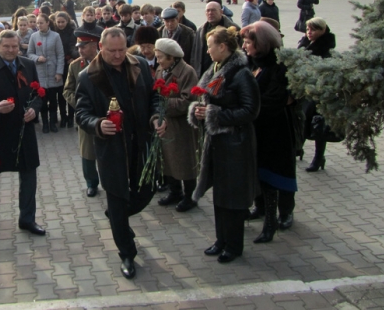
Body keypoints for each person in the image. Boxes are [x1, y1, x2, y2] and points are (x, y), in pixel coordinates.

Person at [75, 28, 163, 279]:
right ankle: (126, 253)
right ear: (101, 47)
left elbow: (155, 97)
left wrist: (157, 116)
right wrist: (97, 124)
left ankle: (117, 219)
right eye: (111, 50)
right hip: (112, 148)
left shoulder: (140, 66)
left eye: (121, 50)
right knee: (116, 196)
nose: (117, 55)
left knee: (146, 190)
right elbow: (81, 114)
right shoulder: (88, 76)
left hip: (140, 143)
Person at [189, 26, 260, 264]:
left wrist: (214, 114)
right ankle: (221, 239)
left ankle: (234, 245)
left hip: (236, 144)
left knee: (233, 198)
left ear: (222, 47)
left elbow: (250, 111)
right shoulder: (215, 68)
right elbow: (206, 99)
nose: (207, 51)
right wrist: (199, 111)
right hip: (217, 142)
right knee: (220, 194)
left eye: (210, 46)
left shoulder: (241, 73)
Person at [0, 30, 45, 235]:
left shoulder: (28, 65)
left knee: (29, 174)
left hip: (25, 130)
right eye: (6, 46)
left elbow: (37, 93)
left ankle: (27, 219)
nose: (11, 50)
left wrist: (35, 109)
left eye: (14, 46)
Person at [241, 21, 297, 242]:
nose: (244, 46)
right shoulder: (252, 63)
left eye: (248, 42)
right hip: (257, 129)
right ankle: (262, 208)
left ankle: (281, 215)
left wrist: (247, 103)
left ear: (262, 44)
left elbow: (276, 99)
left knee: (277, 174)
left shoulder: (278, 66)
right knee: (260, 173)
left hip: (276, 130)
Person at [153, 39, 200, 212]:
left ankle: (190, 196)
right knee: (168, 160)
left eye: (161, 58)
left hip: (182, 126)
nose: (158, 61)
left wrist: (166, 103)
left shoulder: (187, 72)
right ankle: (175, 191)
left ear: (172, 57)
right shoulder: (160, 70)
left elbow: (189, 100)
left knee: (185, 161)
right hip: (166, 124)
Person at [63, 29, 101, 197]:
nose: (80, 50)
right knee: (87, 152)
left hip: (106, 114)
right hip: (85, 116)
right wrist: (80, 105)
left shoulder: (106, 61)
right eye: (79, 47)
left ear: (94, 46)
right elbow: (67, 90)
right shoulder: (75, 65)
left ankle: (112, 180)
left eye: (84, 46)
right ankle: (91, 183)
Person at [299, 17, 336, 172]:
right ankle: (298, 147)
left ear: (323, 31)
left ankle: (318, 157)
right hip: (306, 90)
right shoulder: (305, 45)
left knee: (319, 125)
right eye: (308, 29)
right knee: (304, 121)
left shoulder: (325, 49)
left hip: (320, 93)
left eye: (313, 30)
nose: (309, 33)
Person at [27, 13, 64, 133]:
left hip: (53, 72)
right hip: (40, 73)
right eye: (37, 23)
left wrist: (59, 72)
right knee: (42, 101)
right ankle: (45, 124)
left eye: (41, 22)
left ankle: (53, 123)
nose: (39, 25)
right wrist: (37, 58)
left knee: (53, 101)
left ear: (48, 23)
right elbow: (29, 53)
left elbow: (60, 55)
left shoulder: (56, 36)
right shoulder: (33, 36)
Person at [190, 2, 240, 78]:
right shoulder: (200, 30)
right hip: (203, 73)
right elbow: (194, 53)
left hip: (225, 73)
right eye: (208, 11)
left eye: (213, 10)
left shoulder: (232, 29)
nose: (210, 13)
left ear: (221, 12)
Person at [54, 11, 79, 128]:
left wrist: (72, 57)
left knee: (70, 89)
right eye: (58, 22)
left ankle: (71, 117)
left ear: (67, 21)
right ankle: (63, 116)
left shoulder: (73, 32)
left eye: (62, 22)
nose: (60, 24)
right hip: (58, 65)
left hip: (69, 63)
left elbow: (74, 46)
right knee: (60, 91)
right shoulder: (54, 32)